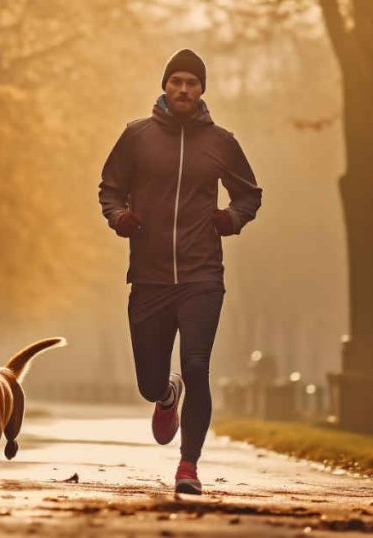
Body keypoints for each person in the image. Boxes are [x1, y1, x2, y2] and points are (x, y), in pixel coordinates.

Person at [97, 49, 262, 495]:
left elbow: (249, 194)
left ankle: (188, 466)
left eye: (192, 82)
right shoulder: (137, 136)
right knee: (149, 382)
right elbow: (110, 188)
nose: (184, 89)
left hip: (201, 275)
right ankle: (165, 395)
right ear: (165, 87)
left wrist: (231, 219)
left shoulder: (221, 142)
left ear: (202, 89)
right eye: (177, 82)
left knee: (197, 365)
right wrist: (119, 217)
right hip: (148, 277)